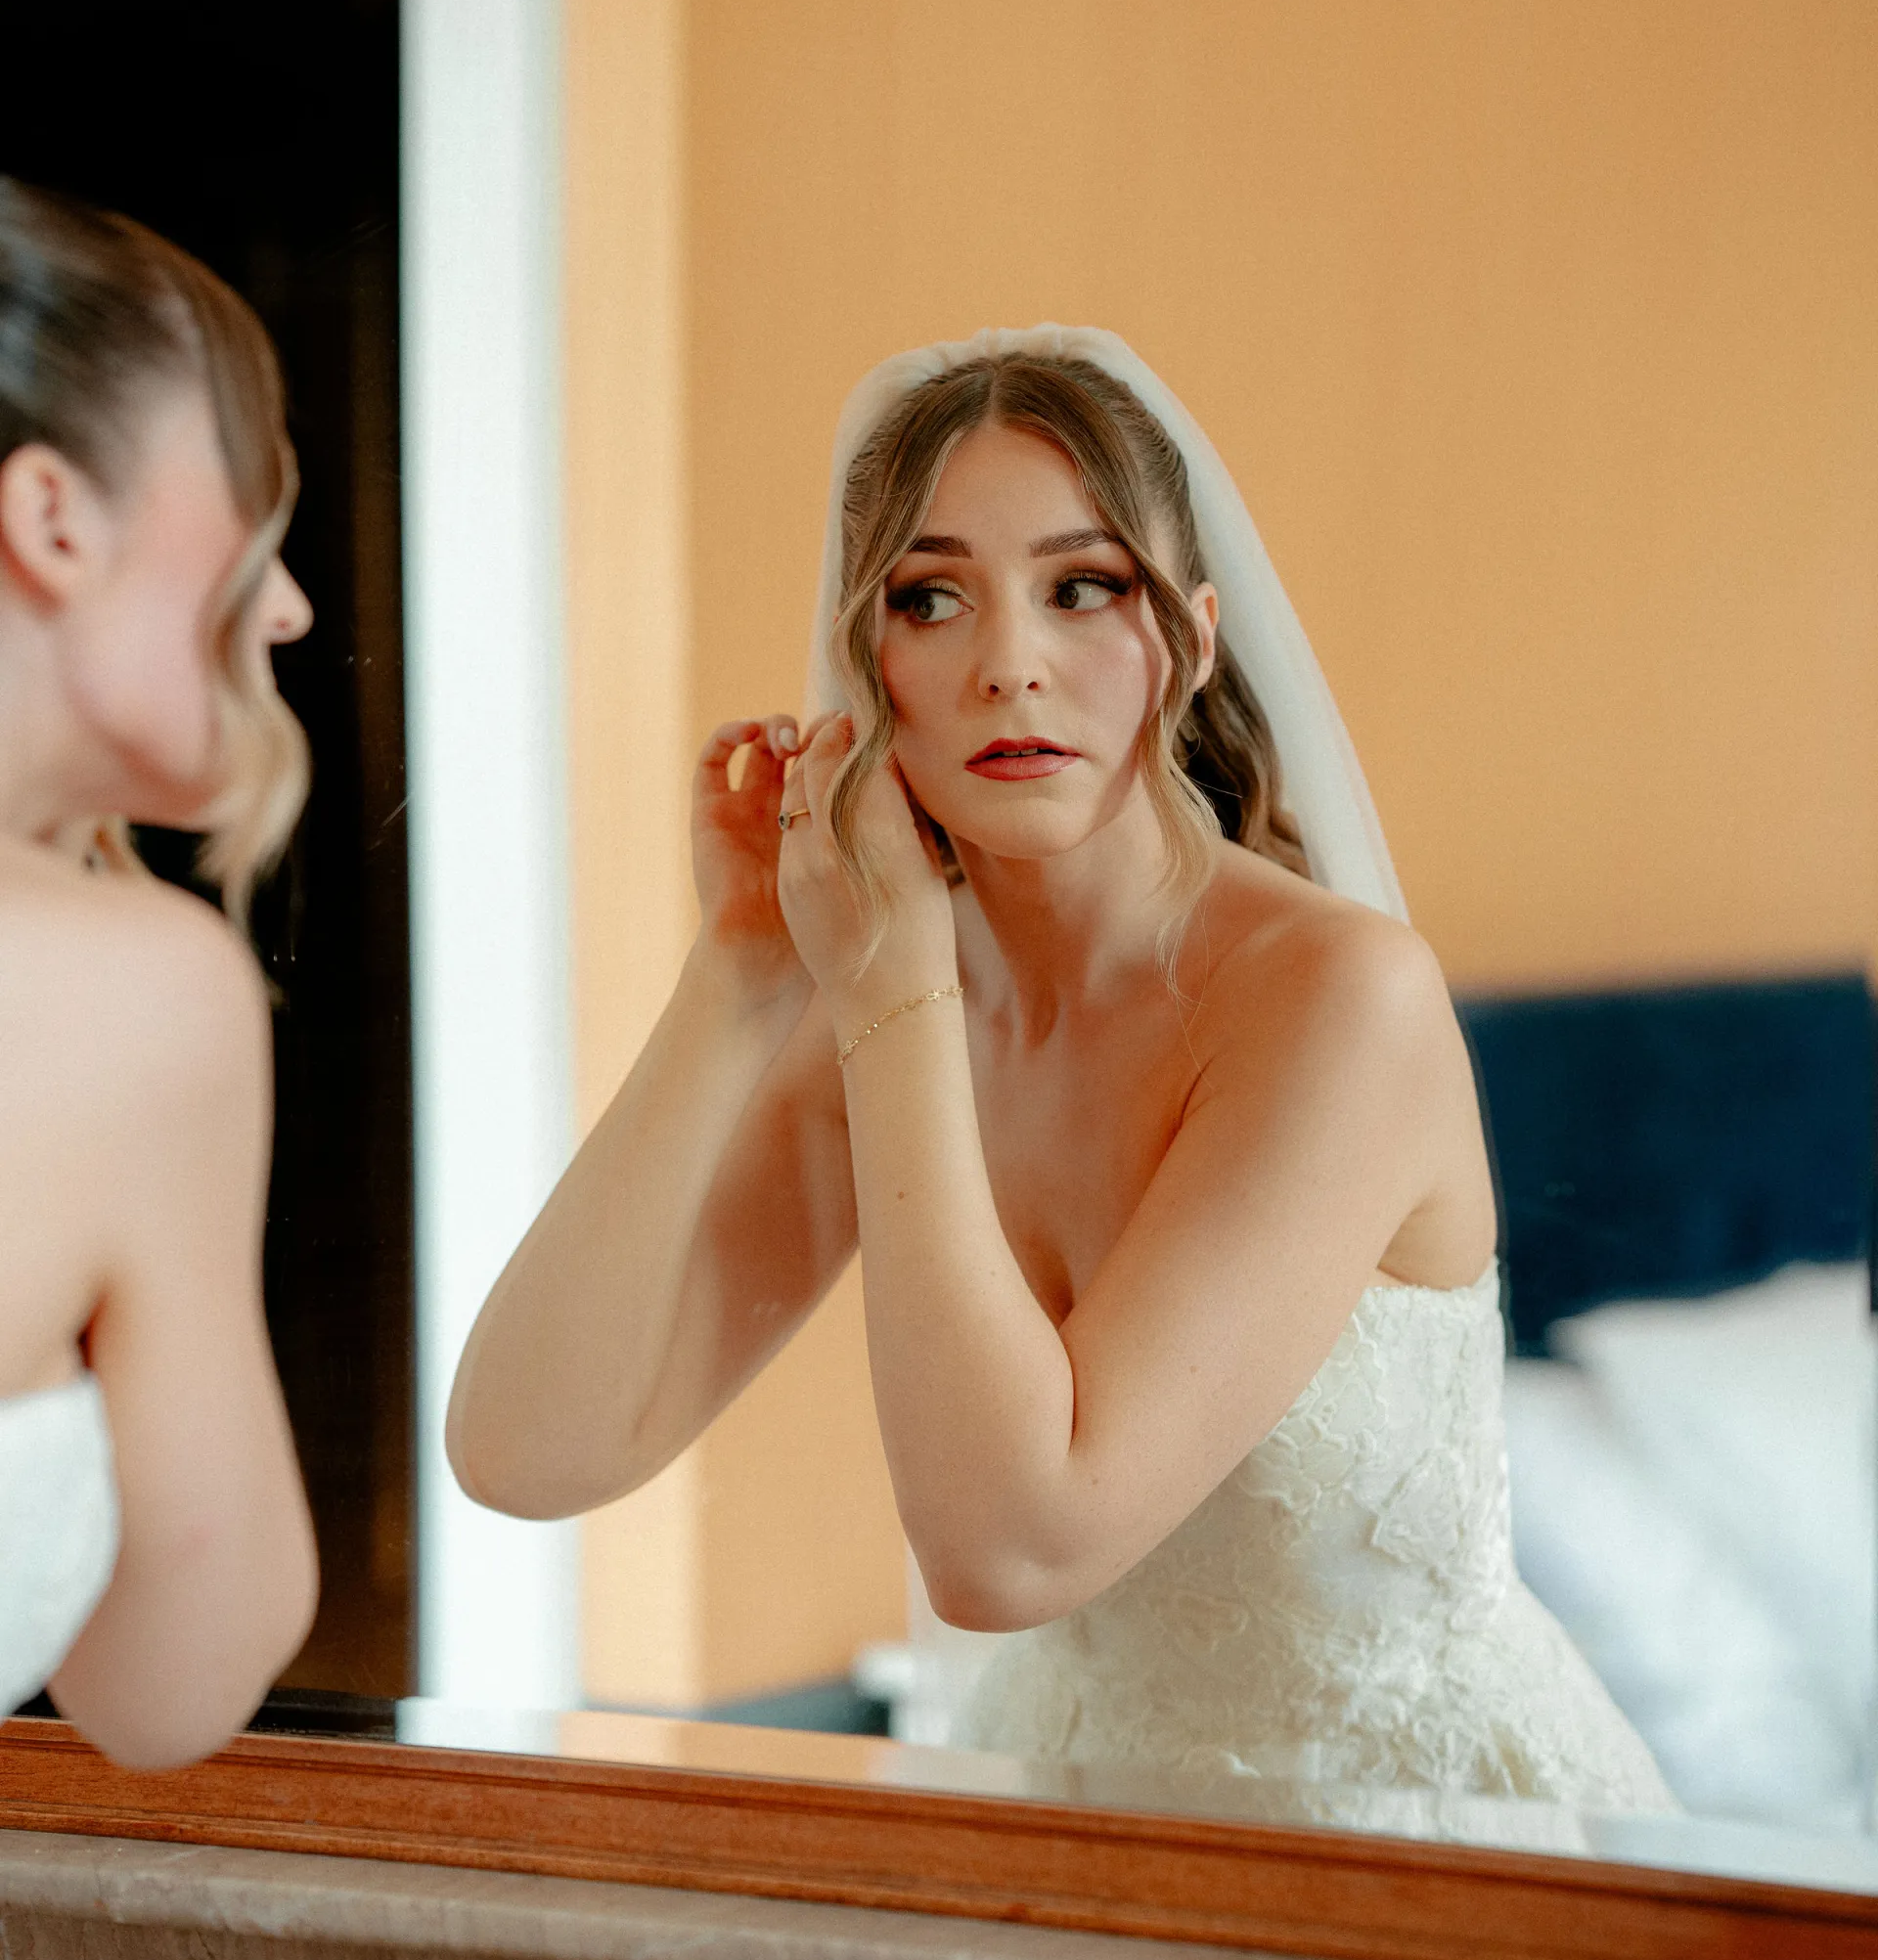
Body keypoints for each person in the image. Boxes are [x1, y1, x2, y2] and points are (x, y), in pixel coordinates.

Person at [449, 325, 1674, 1810]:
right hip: (1079, 1817)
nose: (1009, 666)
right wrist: (739, 975)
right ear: (868, 666)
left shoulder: (1341, 1003)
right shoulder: (896, 1000)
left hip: (1408, 1836)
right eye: (931, 598)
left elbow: (1010, 1555)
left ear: (1193, 642)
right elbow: (523, 1450)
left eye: (1081, 588)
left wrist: (893, 992)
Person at [0, 178, 319, 1768]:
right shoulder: (136, 994)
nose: (290, 605)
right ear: (54, 519)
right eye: (254, 506)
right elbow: (172, 1684)